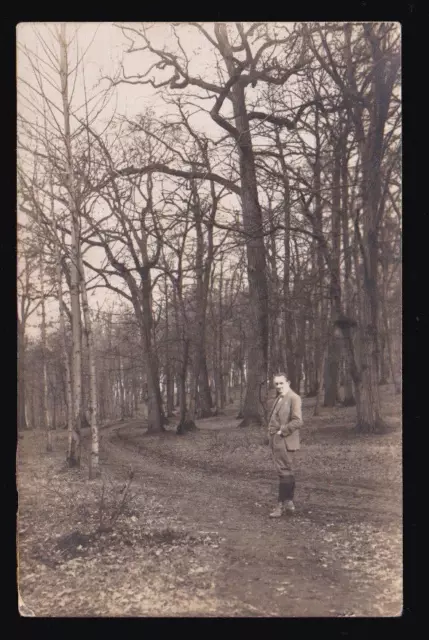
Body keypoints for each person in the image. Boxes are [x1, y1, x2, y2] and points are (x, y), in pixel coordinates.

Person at [267, 373, 303, 518]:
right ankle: (289, 503)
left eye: (281, 383)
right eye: (276, 384)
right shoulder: (278, 398)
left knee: (285, 473)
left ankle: (280, 506)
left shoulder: (294, 398)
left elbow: (298, 421)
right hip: (278, 441)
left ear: (287, 382)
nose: (279, 386)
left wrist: (282, 432)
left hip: (285, 441)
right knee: (287, 472)